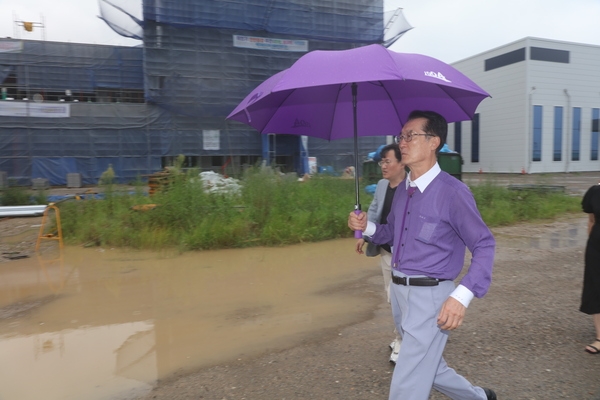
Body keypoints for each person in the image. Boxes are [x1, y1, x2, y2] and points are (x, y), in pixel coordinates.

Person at [348, 110, 497, 400]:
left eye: (409, 136)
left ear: (433, 142)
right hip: (401, 294)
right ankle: (479, 398)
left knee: (407, 384)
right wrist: (367, 227)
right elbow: (390, 234)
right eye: (400, 137)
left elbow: (484, 245)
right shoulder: (404, 190)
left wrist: (461, 296)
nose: (401, 143)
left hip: (430, 299)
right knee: (430, 366)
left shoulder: (453, 193)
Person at [355, 144, 406, 364]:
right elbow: (375, 210)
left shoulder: (412, 187)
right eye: (381, 161)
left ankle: (404, 340)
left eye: (387, 161)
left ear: (401, 162)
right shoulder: (382, 185)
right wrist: (363, 234)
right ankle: (402, 336)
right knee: (391, 296)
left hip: (406, 255)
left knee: (404, 300)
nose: (383, 166)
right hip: (386, 251)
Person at [580, 183, 600, 354]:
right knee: (596, 288)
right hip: (597, 248)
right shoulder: (595, 192)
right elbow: (592, 220)